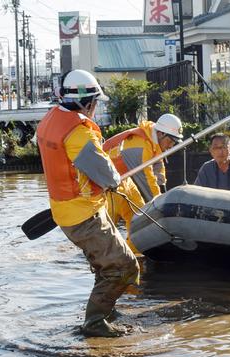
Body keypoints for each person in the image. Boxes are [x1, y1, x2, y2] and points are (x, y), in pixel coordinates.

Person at [36, 69, 139, 337]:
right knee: (125, 267)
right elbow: (106, 174)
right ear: (87, 103)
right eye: (95, 103)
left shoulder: (51, 120)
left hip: (66, 212)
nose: (94, 109)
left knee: (104, 265)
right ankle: (94, 321)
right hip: (85, 216)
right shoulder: (79, 134)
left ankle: (106, 308)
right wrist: (114, 180)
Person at [103, 113, 183, 251]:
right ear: (161, 134)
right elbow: (147, 179)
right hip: (108, 184)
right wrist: (160, 205)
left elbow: (158, 166)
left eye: (174, 143)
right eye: (170, 141)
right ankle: (101, 254)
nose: (171, 146)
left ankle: (135, 251)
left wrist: (163, 189)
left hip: (125, 180)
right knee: (107, 224)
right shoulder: (139, 146)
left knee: (139, 216)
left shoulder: (153, 139)